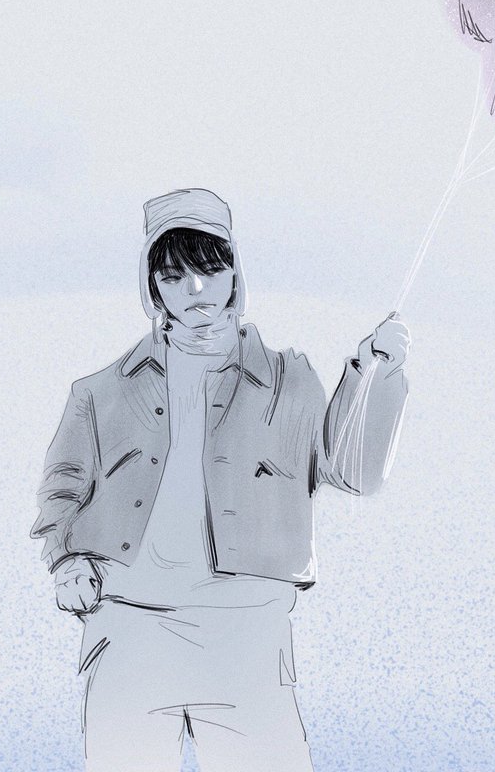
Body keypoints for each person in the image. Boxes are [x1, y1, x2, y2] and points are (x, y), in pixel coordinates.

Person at [31, 188, 410, 772]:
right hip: (129, 634)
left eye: (210, 268)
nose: (196, 289)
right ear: (151, 286)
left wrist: (375, 376)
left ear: (236, 272)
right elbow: (61, 491)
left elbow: (354, 474)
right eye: (173, 275)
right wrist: (67, 561)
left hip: (248, 637)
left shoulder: (289, 379)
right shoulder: (100, 392)